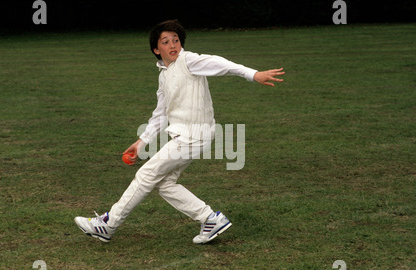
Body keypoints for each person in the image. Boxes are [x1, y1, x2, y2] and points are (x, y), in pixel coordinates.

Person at [74, 20, 284, 244]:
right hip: (190, 137)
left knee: (146, 175)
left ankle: (108, 224)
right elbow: (161, 113)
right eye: (166, 42)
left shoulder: (188, 60)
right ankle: (210, 218)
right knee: (164, 184)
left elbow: (219, 63)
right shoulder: (164, 75)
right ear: (157, 49)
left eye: (176, 40)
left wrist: (252, 74)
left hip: (192, 136)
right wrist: (141, 141)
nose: (173, 45)